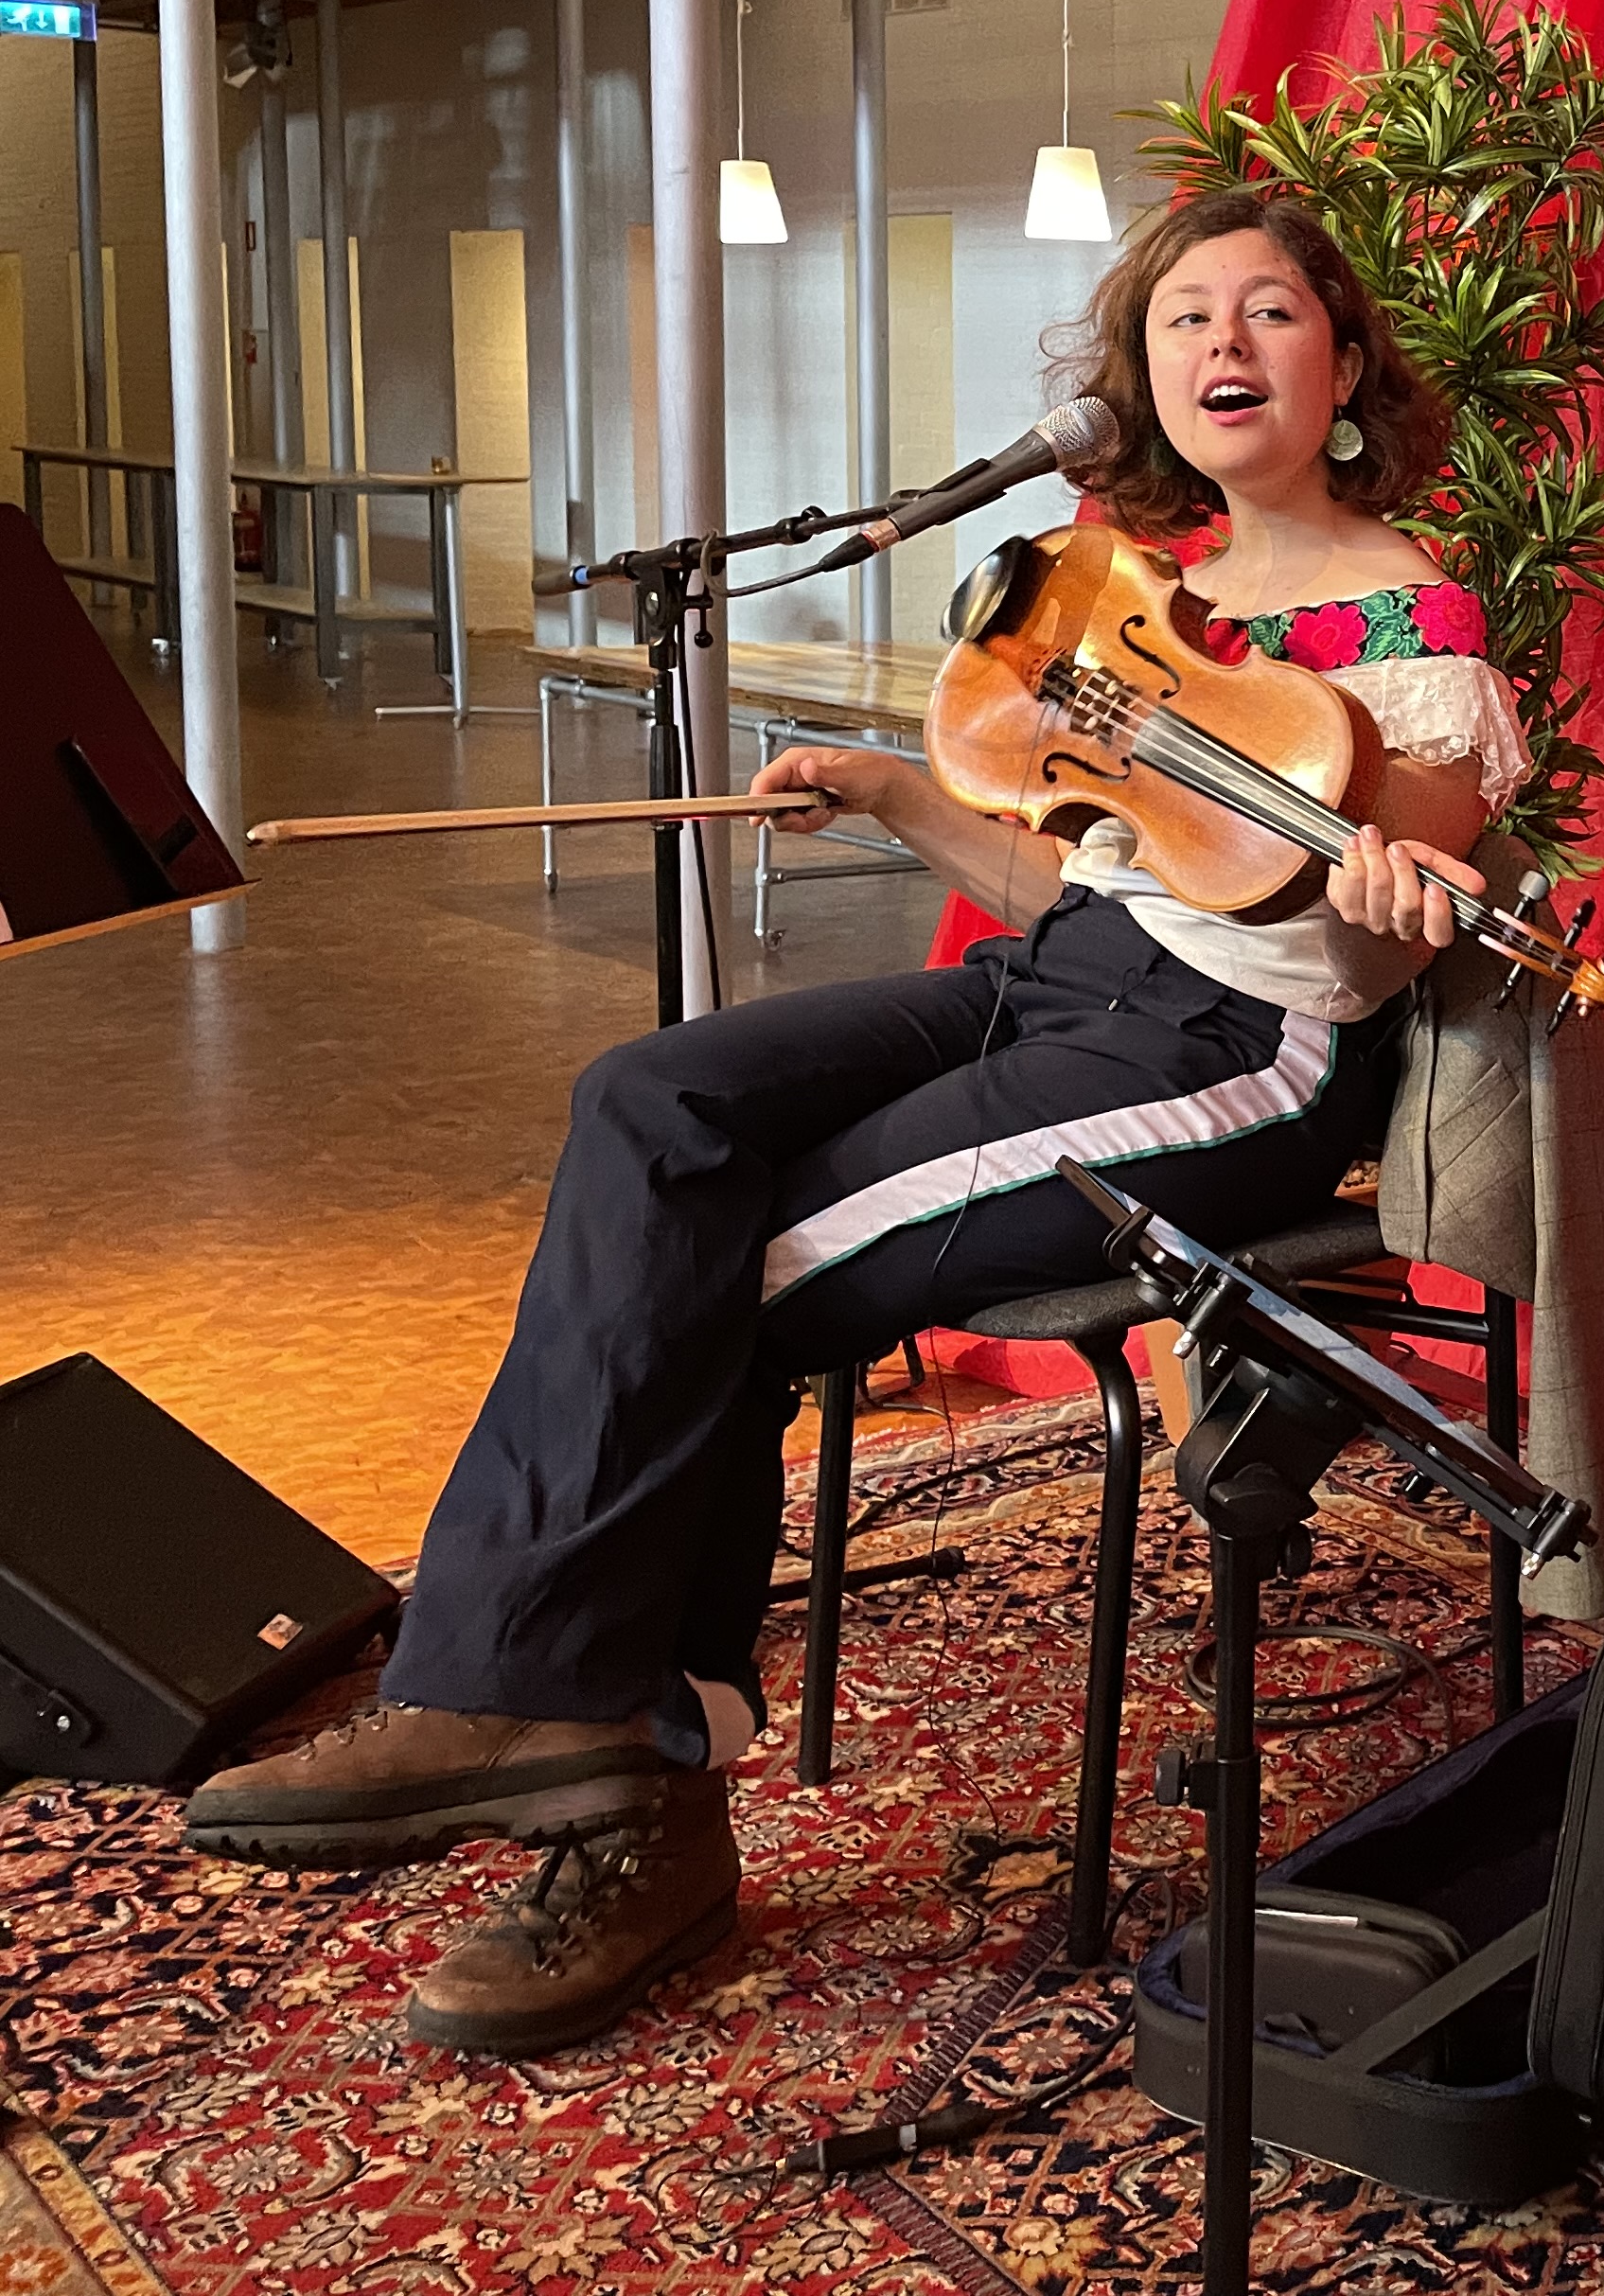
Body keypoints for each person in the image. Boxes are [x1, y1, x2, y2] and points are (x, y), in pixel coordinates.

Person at [184, 187, 1528, 2058]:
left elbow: (1376, 908)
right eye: (1182, 319)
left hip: (1232, 1053)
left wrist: (1389, 876)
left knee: (721, 1280)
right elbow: (1072, 877)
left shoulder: (1424, 620)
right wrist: (906, 798)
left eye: (1273, 313)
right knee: (650, 1108)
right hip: (1066, 986)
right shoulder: (1151, 609)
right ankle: (548, 1707)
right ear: (1142, 378)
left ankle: (618, 1781)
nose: (1224, 343)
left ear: (1348, 364)